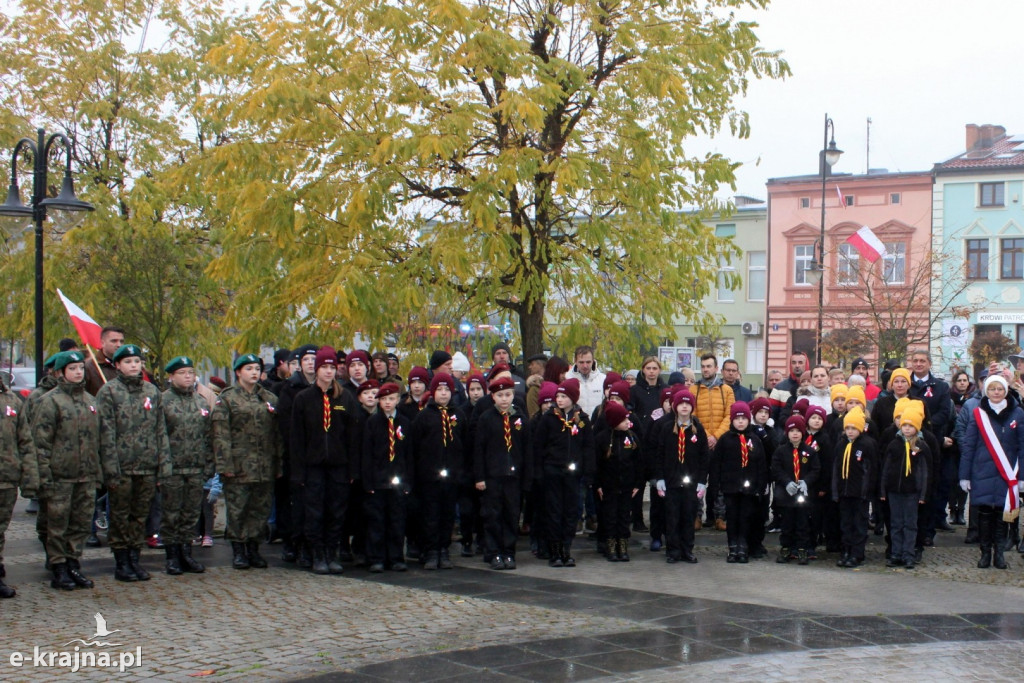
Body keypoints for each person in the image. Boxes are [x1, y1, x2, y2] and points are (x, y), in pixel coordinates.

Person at [96, 344, 171, 583]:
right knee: (120, 516)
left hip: (147, 465)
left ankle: (135, 558)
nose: (134, 366)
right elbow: (105, 433)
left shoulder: (152, 391)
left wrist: (162, 463)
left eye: (137, 362)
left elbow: (160, 429)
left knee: (140, 516)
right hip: (122, 466)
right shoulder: (108, 392)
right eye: (128, 362)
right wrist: (110, 468)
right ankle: (121, 561)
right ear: (117, 365)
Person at [32, 351, 101, 591]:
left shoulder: (91, 401)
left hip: (86, 474)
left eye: (81, 368)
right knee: (57, 524)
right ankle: (58, 566)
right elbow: (40, 443)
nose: (78, 372)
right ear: (61, 372)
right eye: (72, 369)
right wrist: (43, 476)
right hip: (60, 475)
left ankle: (73, 564)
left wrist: (98, 470)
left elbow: (98, 439)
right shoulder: (49, 401)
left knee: (81, 524)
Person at [212, 354, 283, 570]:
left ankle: (254, 548)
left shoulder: (269, 398)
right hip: (239, 465)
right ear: (238, 372)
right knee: (238, 509)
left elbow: (277, 434)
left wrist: (279, 464)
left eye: (256, 369)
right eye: (248, 368)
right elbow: (220, 435)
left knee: (260, 509)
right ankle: (239, 550)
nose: (253, 373)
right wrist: (225, 466)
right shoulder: (227, 398)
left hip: (264, 465)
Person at [290, 347, 356, 575]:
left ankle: (331, 552)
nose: (329, 372)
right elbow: (297, 438)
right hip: (313, 466)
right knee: (315, 511)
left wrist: (351, 468)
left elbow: (351, 435)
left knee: (336, 511)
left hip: (338, 465)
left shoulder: (344, 397)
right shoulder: (304, 398)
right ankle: (317, 553)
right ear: (316, 370)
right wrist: (298, 471)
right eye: (324, 367)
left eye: (332, 367)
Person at [960, 374, 1024, 570]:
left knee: (1003, 516)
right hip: (983, 471)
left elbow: (1022, 446)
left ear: (1005, 391)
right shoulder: (978, 413)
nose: (996, 393)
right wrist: (964, 475)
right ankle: (985, 553)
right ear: (986, 391)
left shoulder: (1018, 413)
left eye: (1000, 389)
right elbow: (969, 445)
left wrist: (1021, 477)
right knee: (985, 515)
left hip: (1008, 473)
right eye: (992, 389)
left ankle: (1000, 554)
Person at [160, 356, 215, 575]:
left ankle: (186, 553)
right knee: (171, 514)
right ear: (171, 376)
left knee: (191, 513)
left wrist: (208, 464)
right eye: (182, 373)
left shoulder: (200, 401)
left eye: (191, 373)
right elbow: (159, 435)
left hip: (195, 467)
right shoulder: (163, 400)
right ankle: (172, 556)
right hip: (173, 467)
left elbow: (208, 435)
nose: (188, 377)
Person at [532, 379, 594, 568]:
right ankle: (555, 550)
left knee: (571, 511)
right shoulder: (549, 419)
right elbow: (538, 447)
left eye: (563, 396)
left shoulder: (581, 419)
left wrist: (588, 472)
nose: (559, 400)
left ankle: (566, 548)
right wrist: (539, 472)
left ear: (573, 399)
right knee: (554, 511)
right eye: (558, 396)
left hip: (573, 474)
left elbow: (588, 447)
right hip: (552, 471)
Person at [474, 375, 531, 570]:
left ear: (514, 395)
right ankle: (493, 552)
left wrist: (526, 477)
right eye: (500, 395)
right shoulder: (486, 418)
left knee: (511, 514)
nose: (504, 399)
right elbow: (479, 449)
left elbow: (527, 449)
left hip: (513, 477)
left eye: (507, 394)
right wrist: (480, 476)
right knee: (493, 515)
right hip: (493, 476)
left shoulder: (520, 418)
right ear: (493, 397)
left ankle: (509, 552)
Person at [411, 373, 467, 570]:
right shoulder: (424, 416)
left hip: (452, 475)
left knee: (447, 514)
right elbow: (416, 447)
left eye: (447, 390)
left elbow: (464, 444)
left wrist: (461, 471)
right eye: (439, 390)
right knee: (431, 514)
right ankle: (431, 550)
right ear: (433, 392)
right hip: (430, 476)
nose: (443, 394)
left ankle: (444, 549)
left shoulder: (458, 415)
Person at [362, 382, 412, 572]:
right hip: (378, 480)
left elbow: (409, 454)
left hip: (399, 481)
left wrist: (408, 482)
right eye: (383, 399)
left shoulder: (405, 423)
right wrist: (368, 482)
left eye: (391, 399)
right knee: (377, 521)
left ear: (398, 400)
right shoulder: (373, 423)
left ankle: (396, 557)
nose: (388, 403)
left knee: (397, 521)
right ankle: (377, 557)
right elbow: (367, 454)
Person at [275, 344, 318, 565]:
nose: (311, 363)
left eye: (314, 359)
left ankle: (313, 546)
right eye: (307, 360)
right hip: (296, 455)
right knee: (295, 504)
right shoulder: (290, 388)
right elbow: (285, 425)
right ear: (299, 364)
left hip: (318, 456)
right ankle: (294, 543)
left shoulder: (327, 388)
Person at [656, 389, 708, 564]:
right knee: (672, 518)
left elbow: (704, 457)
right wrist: (660, 478)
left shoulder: (697, 430)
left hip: (691, 484)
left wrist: (701, 481)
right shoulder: (666, 429)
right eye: (681, 403)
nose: (684, 406)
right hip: (671, 482)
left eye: (688, 403)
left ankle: (687, 550)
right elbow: (659, 455)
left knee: (688, 517)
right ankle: (673, 550)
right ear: (674, 406)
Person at [713, 402, 767, 563]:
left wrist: (760, 486)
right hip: (730, 487)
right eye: (737, 419)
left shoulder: (755, 440)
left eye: (744, 418)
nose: (741, 422)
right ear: (732, 420)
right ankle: (733, 547)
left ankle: (743, 546)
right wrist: (716, 486)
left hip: (749, 489)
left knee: (745, 517)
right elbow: (717, 464)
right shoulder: (725, 440)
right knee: (732, 517)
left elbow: (761, 465)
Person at [880, 402, 929, 569]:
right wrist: (883, 489)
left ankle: (908, 554)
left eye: (910, 425)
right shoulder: (894, 445)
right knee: (896, 523)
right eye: (904, 425)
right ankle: (896, 553)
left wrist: (922, 494)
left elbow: (924, 472)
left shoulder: (920, 446)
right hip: (894, 491)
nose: (907, 428)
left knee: (910, 524)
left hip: (912, 492)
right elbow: (886, 469)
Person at [594, 402, 642, 562]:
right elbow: (597, 465)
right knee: (610, 516)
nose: (628, 422)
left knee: (624, 516)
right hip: (609, 486)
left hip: (627, 485)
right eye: (623, 420)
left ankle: (623, 545)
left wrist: (637, 484)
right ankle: (611, 546)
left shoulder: (632, 438)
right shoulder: (602, 439)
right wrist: (598, 484)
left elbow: (638, 463)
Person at [692, 354, 735, 531]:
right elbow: (692, 415)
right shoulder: (693, 390)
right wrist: (706, 436)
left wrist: (716, 436)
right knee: (698, 481)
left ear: (716, 368)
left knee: (719, 483)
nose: (705, 369)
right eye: (703, 366)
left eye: (709, 366)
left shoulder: (726, 391)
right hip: (700, 443)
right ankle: (696, 516)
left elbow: (730, 415)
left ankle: (719, 516)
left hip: (721, 443)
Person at [832, 407, 876, 568]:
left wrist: (868, 491)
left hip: (860, 494)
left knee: (859, 524)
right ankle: (846, 551)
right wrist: (836, 490)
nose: (850, 432)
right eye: (847, 428)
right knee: (846, 523)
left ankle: (857, 553)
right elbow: (836, 468)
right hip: (844, 492)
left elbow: (871, 470)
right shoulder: (841, 444)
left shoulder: (867, 444)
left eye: (853, 428)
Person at [773, 414, 819, 565]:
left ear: (803, 432)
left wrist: (807, 481)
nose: (795, 434)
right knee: (787, 524)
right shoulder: (781, 451)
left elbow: (816, 469)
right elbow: (776, 468)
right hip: (787, 495)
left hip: (803, 496)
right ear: (787, 432)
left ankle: (802, 549)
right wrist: (786, 482)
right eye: (792, 430)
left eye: (798, 431)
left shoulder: (810, 451)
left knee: (802, 523)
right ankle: (786, 548)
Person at [565, 346, 606, 419]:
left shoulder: (603, 379)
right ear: (575, 361)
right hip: (575, 423)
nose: (585, 366)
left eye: (588, 362)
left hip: (597, 424)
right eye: (581, 362)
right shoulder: (567, 378)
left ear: (593, 361)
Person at [84, 326, 125, 395]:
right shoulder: (89, 367)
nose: (119, 345)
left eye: (121, 341)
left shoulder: (129, 364)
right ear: (102, 343)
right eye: (114, 341)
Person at [630, 357, 665, 427]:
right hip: (640, 429)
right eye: (648, 368)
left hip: (660, 429)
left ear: (659, 370)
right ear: (643, 370)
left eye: (654, 368)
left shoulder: (665, 390)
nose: (651, 371)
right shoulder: (634, 390)